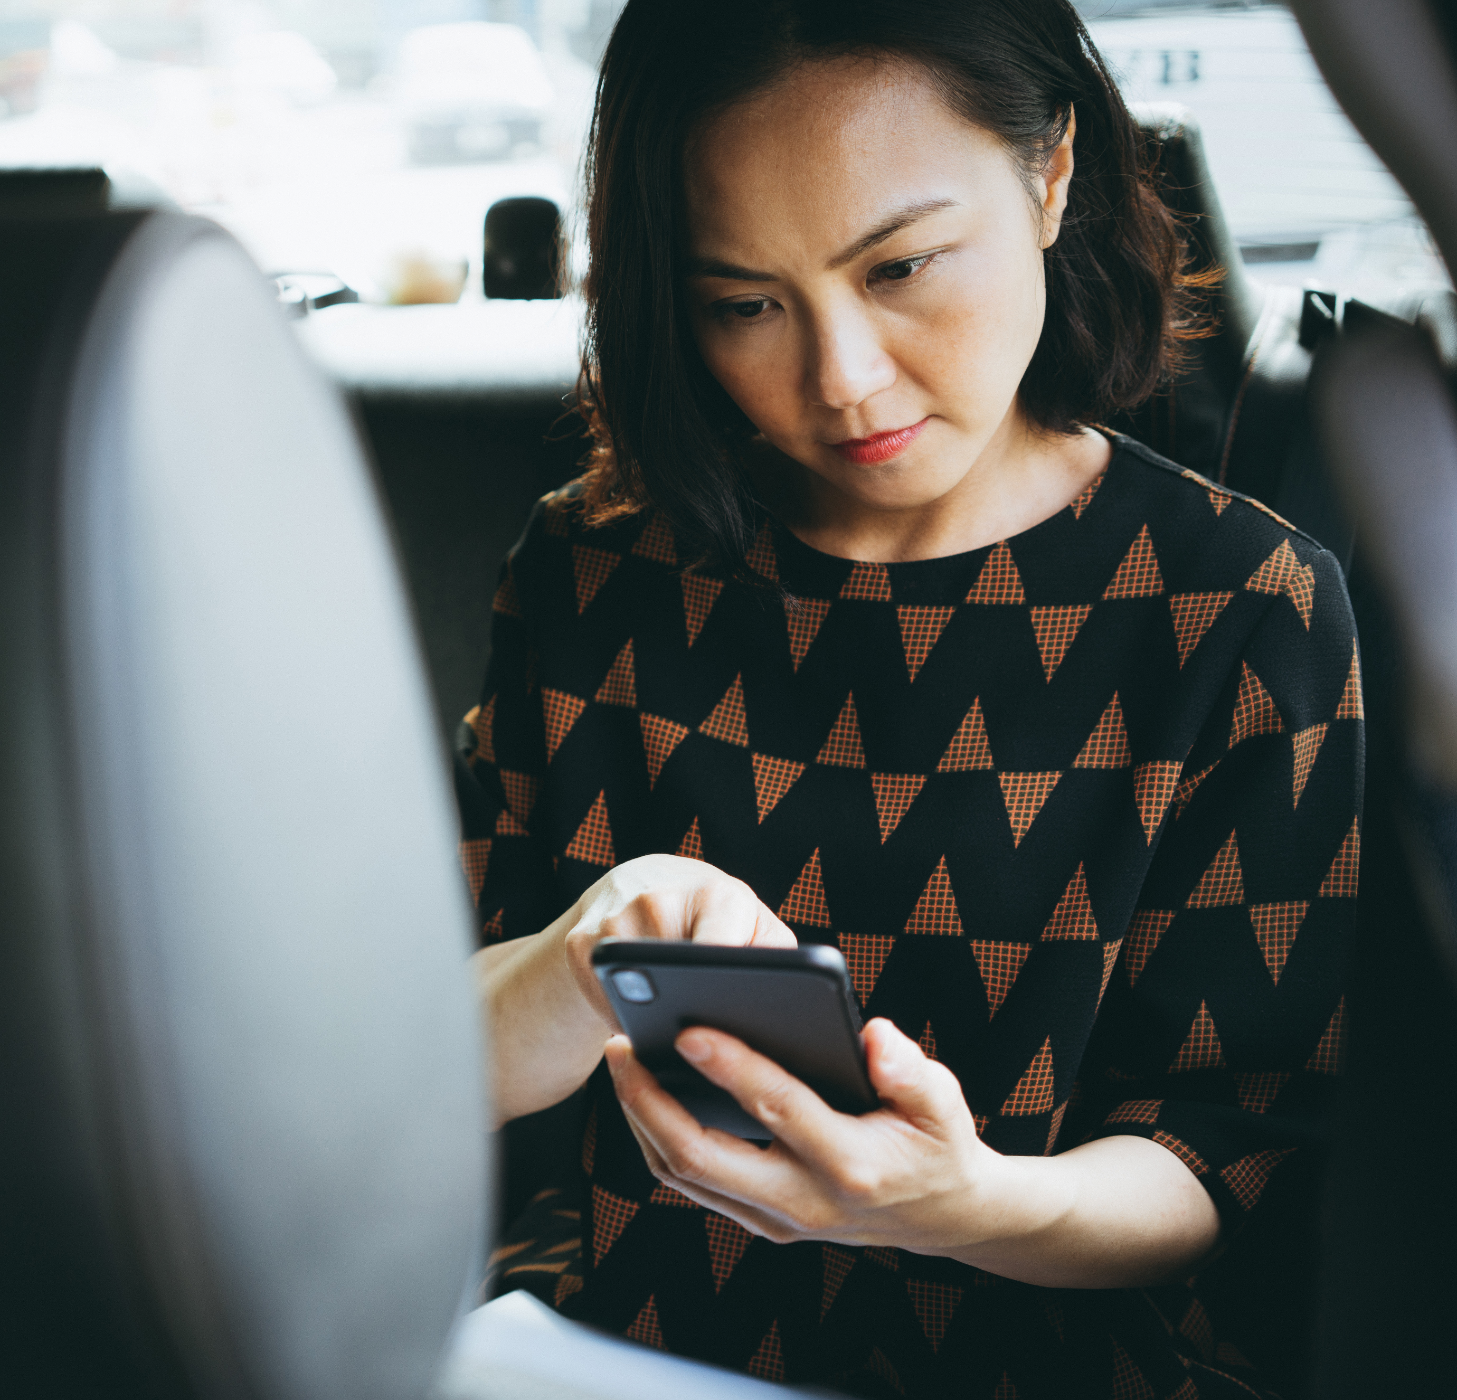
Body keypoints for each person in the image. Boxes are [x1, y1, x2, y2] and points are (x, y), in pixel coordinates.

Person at [456, 1, 1358, 1396]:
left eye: (903, 266)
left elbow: (1219, 1148)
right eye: (744, 303)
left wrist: (956, 1204)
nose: (841, 378)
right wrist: (583, 956)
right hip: (613, 1351)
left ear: (1053, 172)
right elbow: (405, 1060)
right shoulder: (594, 570)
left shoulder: (1243, 606)